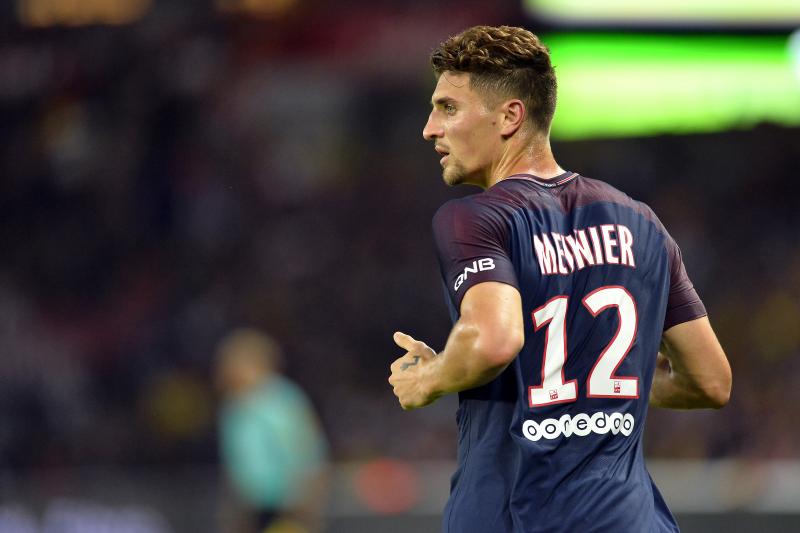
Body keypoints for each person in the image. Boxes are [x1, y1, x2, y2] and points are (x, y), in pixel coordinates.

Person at [388, 25, 732, 533]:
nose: (430, 128)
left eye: (448, 108)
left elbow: (492, 341)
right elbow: (710, 380)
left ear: (510, 116)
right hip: (630, 520)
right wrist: (604, 382)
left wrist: (429, 379)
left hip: (518, 516)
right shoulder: (641, 222)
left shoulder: (476, 218)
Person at [216, 328, 329, 533]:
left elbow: (305, 449)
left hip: (286, 503)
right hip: (250, 503)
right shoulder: (234, 406)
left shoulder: (280, 400)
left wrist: (306, 497)